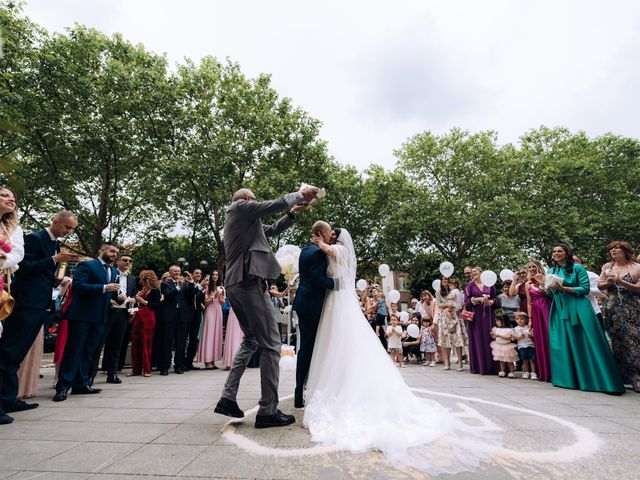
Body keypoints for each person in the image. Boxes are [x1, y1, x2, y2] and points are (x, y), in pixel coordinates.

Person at [304, 229, 498, 475]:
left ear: (340, 239)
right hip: (336, 300)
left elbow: (329, 250)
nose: (329, 236)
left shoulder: (338, 250)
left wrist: (319, 241)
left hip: (340, 301)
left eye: (333, 234)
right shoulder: (341, 253)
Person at [214, 186, 318, 428]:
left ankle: (227, 398)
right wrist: (301, 194)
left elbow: (269, 231)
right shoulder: (240, 207)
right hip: (250, 283)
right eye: (254, 199)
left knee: (251, 341)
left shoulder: (245, 223)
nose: (257, 201)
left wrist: (292, 213)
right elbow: (273, 205)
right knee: (272, 344)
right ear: (248, 200)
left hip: (236, 284)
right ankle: (268, 411)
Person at [0, 207, 76, 425]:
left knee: (17, 354)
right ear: (55, 221)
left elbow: (43, 272)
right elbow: (21, 267)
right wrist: (54, 259)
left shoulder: (55, 243)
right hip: (25, 302)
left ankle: (9, 397)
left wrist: (57, 279)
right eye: (66, 227)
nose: (68, 232)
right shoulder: (34, 238)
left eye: (71, 229)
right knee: (9, 351)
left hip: (41, 303)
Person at [547, 244, 624, 394]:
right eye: (554, 251)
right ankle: (569, 379)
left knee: (590, 340)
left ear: (567, 253)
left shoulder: (578, 269)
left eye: (559, 251)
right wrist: (548, 288)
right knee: (564, 342)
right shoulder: (551, 271)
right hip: (560, 307)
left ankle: (602, 381)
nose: (556, 253)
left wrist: (564, 289)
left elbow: (584, 289)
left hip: (579, 306)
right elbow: (551, 294)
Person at [53, 243, 120, 402]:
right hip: (82, 316)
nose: (114, 255)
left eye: (116, 253)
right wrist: (104, 287)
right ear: (102, 250)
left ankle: (81, 384)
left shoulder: (114, 271)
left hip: (101, 317)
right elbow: (78, 286)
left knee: (89, 352)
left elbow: (110, 292)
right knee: (73, 351)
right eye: (112, 251)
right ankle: (63, 387)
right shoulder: (87, 265)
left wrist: (119, 297)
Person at [292, 221, 339, 408]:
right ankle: (300, 392)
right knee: (307, 348)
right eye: (328, 232)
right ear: (321, 232)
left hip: (304, 303)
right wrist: (337, 284)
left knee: (307, 348)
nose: (330, 236)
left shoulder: (306, 249)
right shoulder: (318, 252)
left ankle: (302, 389)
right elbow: (318, 279)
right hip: (311, 305)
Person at [598, 241, 640, 392]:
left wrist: (621, 281)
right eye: (611, 250)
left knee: (633, 340)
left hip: (632, 306)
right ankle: (621, 377)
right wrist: (607, 283)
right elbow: (599, 285)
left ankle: (636, 377)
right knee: (617, 340)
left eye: (617, 249)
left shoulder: (636, 267)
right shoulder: (607, 267)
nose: (613, 251)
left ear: (625, 251)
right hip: (612, 306)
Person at [92, 252, 137, 384]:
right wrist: (112, 301)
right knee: (99, 344)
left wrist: (130, 300)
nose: (127, 262)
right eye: (125, 260)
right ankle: (90, 375)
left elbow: (134, 294)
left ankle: (112, 374)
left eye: (130, 260)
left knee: (117, 345)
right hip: (108, 311)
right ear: (118, 261)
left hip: (123, 314)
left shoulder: (133, 278)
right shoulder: (110, 273)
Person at [157, 265, 196, 375]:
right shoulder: (165, 284)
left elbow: (192, 295)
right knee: (167, 342)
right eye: (175, 271)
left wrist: (191, 282)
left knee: (181, 343)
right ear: (170, 272)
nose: (177, 273)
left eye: (179, 271)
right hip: (170, 317)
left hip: (182, 317)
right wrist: (178, 287)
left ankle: (179, 366)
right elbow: (168, 295)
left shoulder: (186, 284)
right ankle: (164, 367)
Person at [464, 267, 500, 375]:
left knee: (489, 337)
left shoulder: (490, 284)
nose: (473, 273)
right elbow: (466, 302)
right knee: (477, 338)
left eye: (476, 271)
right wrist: (477, 299)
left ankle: (492, 367)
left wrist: (491, 302)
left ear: (481, 273)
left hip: (488, 316)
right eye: (472, 272)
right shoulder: (469, 286)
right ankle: (479, 367)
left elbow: (496, 299)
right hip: (476, 316)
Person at [129, 270, 161, 377]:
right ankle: (136, 370)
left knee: (146, 343)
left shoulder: (155, 291)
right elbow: (136, 301)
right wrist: (134, 300)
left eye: (144, 279)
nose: (142, 281)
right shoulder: (141, 290)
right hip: (139, 316)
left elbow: (156, 305)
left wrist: (143, 301)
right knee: (135, 343)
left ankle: (147, 369)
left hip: (148, 317)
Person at [524, 260, 551, 382]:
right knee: (539, 340)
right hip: (535, 312)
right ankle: (543, 371)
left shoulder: (545, 278)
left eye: (533, 266)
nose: (531, 268)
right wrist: (530, 319)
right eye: (529, 267)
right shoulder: (527, 284)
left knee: (550, 337)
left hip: (547, 308)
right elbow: (529, 303)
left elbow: (552, 294)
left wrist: (543, 283)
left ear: (538, 267)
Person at [196, 271, 225, 370]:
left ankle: (212, 360)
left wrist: (220, 298)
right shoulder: (207, 287)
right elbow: (204, 302)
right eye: (213, 274)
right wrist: (214, 298)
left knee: (216, 334)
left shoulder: (221, 288)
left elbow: (223, 303)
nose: (215, 276)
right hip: (210, 311)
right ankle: (207, 360)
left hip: (218, 311)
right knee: (209, 334)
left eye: (217, 274)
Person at [438, 279, 466, 371]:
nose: (445, 281)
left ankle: (460, 362)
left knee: (458, 338)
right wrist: (448, 304)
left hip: (456, 316)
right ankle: (447, 361)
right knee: (446, 339)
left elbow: (461, 303)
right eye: (443, 279)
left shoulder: (456, 292)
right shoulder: (439, 292)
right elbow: (439, 305)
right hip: (445, 317)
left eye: (447, 279)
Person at [185, 268, 205, 370]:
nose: (198, 274)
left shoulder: (201, 288)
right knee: (184, 339)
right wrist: (199, 287)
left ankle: (189, 362)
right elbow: (191, 294)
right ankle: (181, 362)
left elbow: (200, 300)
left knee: (193, 340)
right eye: (196, 273)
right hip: (187, 315)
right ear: (192, 275)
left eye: (200, 273)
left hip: (197, 315)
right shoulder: (188, 284)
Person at [513, 312, 537, 380]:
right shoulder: (515, 329)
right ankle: (526, 372)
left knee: (532, 359)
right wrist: (519, 337)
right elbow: (514, 338)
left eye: (522, 319)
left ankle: (533, 372)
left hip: (530, 345)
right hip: (521, 346)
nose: (519, 320)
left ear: (526, 320)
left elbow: (533, 335)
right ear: (515, 320)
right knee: (524, 360)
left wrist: (530, 335)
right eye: (517, 319)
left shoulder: (528, 327)